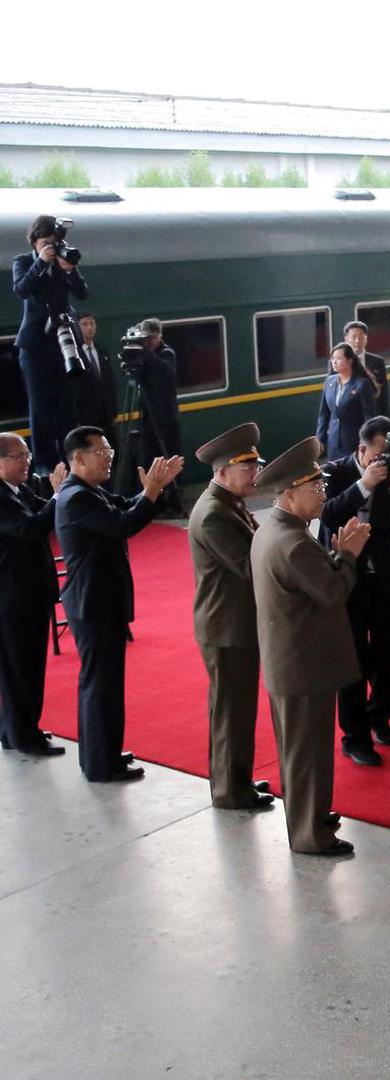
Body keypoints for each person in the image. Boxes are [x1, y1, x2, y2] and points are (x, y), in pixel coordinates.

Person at [251, 437, 369, 855]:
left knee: (301, 751)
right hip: (304, 665)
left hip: (292, 661)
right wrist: (349, 556)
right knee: (307, 755)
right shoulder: (296, 543)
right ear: (288, 492)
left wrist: (336, 559)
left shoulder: (274, 530)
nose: (323, 495)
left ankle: (312, 815)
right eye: (314, 488)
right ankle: (309, 834)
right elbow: (333, 593)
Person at [55, 426, 183, 782]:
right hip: (93, 605)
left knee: (102, 685)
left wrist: (149, 492)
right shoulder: (77, 497)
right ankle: (101, 764)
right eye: (101, 453)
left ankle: (102, 753)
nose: (109, 458)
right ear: (78, 458)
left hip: (97, 602)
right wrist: (152, 492)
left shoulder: (87, 491)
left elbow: (124, 506)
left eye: (109, 451)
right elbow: (123, 524)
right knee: (100, 686)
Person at [321, 416, 390, 764]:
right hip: (346, 578)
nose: (385, 460)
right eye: (379, 454)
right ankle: (355, 736)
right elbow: (328, 513)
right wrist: (364, 484)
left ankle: (379, 716)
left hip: (386, 575)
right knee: (353, 660)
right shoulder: (335, 472)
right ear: (362, 449)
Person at [187, 423, 275, 809]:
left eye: (255, 466)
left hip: (234, 624)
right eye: (246, 468)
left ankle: (236, 779)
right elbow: (249, 564)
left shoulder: (227, 504)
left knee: (237, 709)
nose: (254, 474)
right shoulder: (213, 515)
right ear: (222, 472)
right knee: (230, 712)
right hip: (226, 627)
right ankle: (228, 790)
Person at [0, 434, 66, 756]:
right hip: (15, 599)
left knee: (15, 669)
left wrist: (60, 497)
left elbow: (42, 512)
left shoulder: (17, 489)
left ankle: (11, 730)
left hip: (23, 595)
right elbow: (30, 528)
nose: (26, 462)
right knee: (23, 669)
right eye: (18, 456)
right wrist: (57, 495)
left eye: (27, 454)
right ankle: (26, 736)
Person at [12, 214, 88, 473]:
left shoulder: (64, 262)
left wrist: (71, 270)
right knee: (40, 406)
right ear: (34, 242)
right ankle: (44, 466)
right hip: (35, 345)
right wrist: (42, 264)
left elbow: (83, 293)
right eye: (45, 243)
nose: (51, 248)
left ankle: (71, 462)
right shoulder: (23, 262)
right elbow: (22, 289)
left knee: (67, 406)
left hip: (64, 339)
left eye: (54, 243)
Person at [127, 318, 184, 515]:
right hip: (148, 415)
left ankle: (174, 500)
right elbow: (136, 376)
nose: (149, 342)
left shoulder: (167, 354)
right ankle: (154, 499)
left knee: (169, 456)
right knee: (150, 456)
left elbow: (164, 372)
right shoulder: (144, 354)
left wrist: (145, 353)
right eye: (147, 338)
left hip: (166, 416)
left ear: (160, 336)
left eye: (152, 338)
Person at [316, 343, 378, 462]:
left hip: (354, 441)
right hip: (333, 442)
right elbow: (323, 413)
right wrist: (320, 438)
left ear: (349, 361)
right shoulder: (329, 382)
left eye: (339, 358)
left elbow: (368, 416)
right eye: (332, 359)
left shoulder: (362, 384)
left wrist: (367, 441)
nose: (334, 362)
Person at [71, 313, 119, 437]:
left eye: (92, 323)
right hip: (86, 418)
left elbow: (110, 383)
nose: (89, 327)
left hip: (107, 416)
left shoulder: (102, 351)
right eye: (85, 324)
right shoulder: (74, 355)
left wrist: (113, 413)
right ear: (77, 327)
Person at [342, 320, 390, 421]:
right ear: (346, 339)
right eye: (353, 337)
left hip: (372, 417)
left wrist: (386, 420)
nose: (357, 341)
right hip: (347, 418)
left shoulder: (378, 362)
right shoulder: (337, 362)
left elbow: (384, 396)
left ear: (366, 339)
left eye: (361, 337)